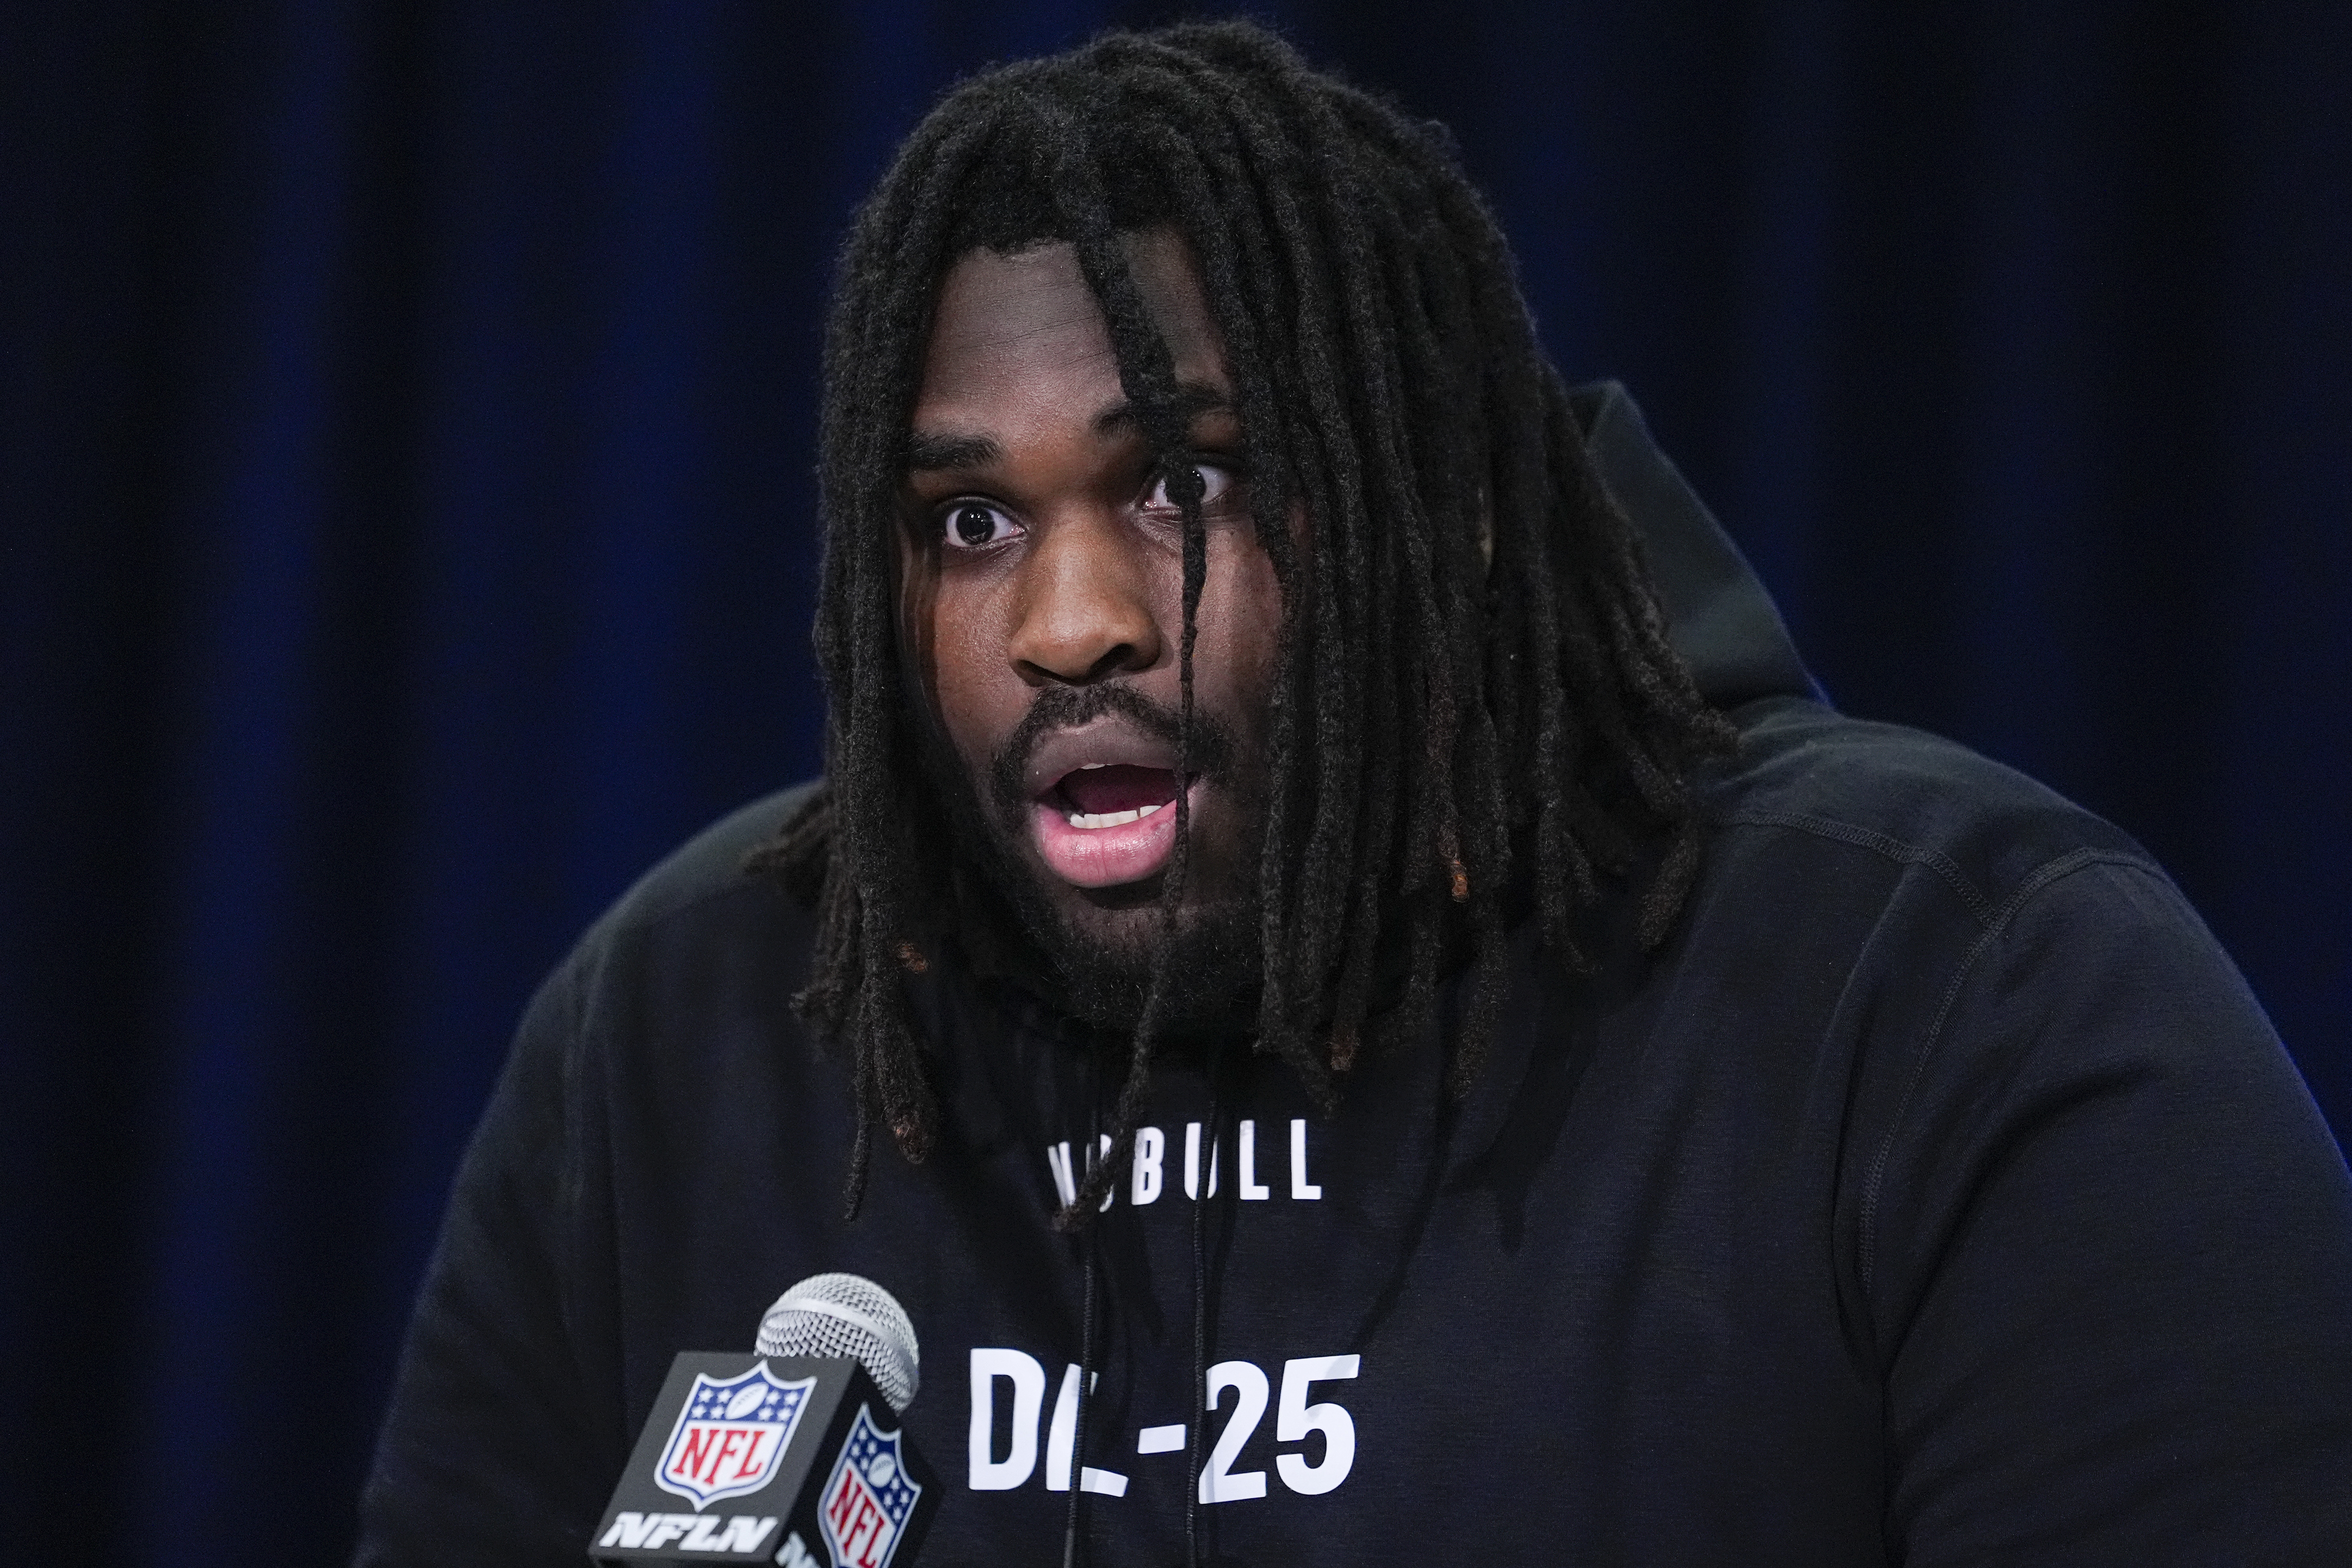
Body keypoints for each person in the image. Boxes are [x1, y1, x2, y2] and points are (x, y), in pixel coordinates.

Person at [355, 21, 2352, 1566]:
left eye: (1184, 481)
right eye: (969, 520)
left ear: (1448, 510)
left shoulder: (1943, 992)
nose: (1068, 624)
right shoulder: (689, 1031)